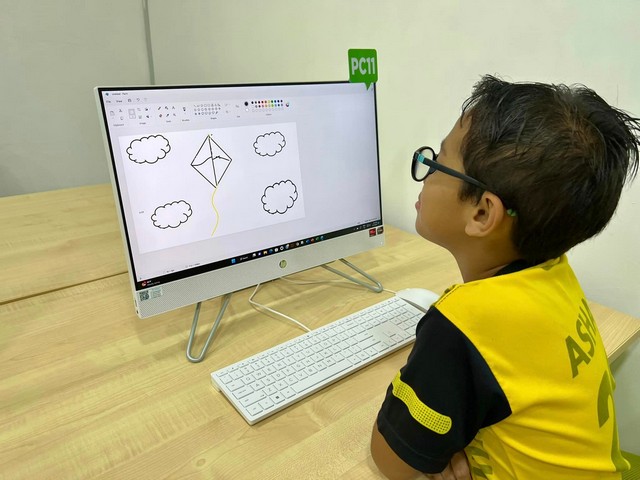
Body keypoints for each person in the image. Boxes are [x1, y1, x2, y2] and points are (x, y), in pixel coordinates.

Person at [370, 75, 640, 480]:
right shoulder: (554, 273)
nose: (426, 171)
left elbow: (391, 461)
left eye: (438, 162)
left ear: (482, 213)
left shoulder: (463, 325)